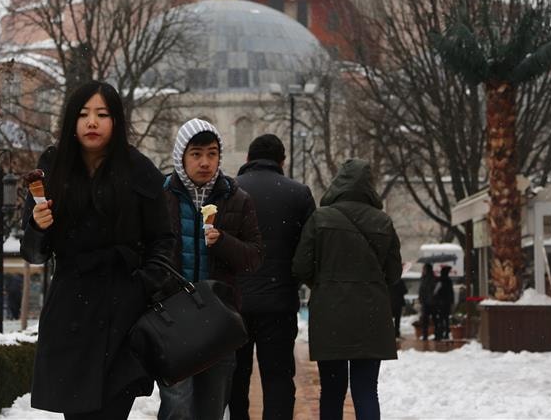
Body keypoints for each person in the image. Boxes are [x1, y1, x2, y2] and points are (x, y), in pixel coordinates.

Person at [20, 81, 176, 419]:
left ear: (116, 121)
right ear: (71, 121)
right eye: (83, 114)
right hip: (70, 311)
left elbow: (163, 239)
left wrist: (143, 284)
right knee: (77, 411)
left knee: (111, 408)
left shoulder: (138, 169)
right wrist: (38, 226)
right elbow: (33, 253)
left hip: (123, 312)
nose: (92, 122)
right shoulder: (52, 166)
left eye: (102, 114)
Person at [158, 118, 263, 420]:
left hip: (218, 320)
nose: (205, 162)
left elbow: (254, 257)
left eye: (212, 153)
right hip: (173, 319)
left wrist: (223, 242)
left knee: (212, 406)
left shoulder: (237, 199)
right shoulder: (161, 197)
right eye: (196, 154)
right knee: (177, 404)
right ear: (181, 156)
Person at [292, 159, 402, 420]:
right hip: (371, 316)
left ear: (339, 183)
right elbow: (394, 273)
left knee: (332, 390)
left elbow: (300, 266)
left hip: (331, 315)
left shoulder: (320, 219)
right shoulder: (383, 221)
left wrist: (325, 284)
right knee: (366, 390)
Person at [228, 134, 315, 420]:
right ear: (282, 161)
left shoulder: (229, 190)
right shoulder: (299, 194)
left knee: (236, 381)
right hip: (279, 302)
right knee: (278, 379)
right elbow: (309, 250)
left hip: (234, 303)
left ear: (247, 159)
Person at [433, 265, 455, 340]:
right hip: (447, 303)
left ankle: (440, 334)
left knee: (440, 319)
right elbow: (451, 292)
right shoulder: (449, 281)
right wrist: (452, 301)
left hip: (440, 303)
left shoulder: (440, 280)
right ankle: (446, 334)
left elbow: (435, 292)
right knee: (446, 319)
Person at [418, 264, 436, 341]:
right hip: (428, 302)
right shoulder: (426, 278)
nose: (423, 270)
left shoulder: (429, 279)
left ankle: (428, 335)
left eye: (424, 269)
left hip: (429, 302)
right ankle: (426, 335)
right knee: (429, 320)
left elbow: (425, 290)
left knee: (428, 320)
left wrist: (422, 298)